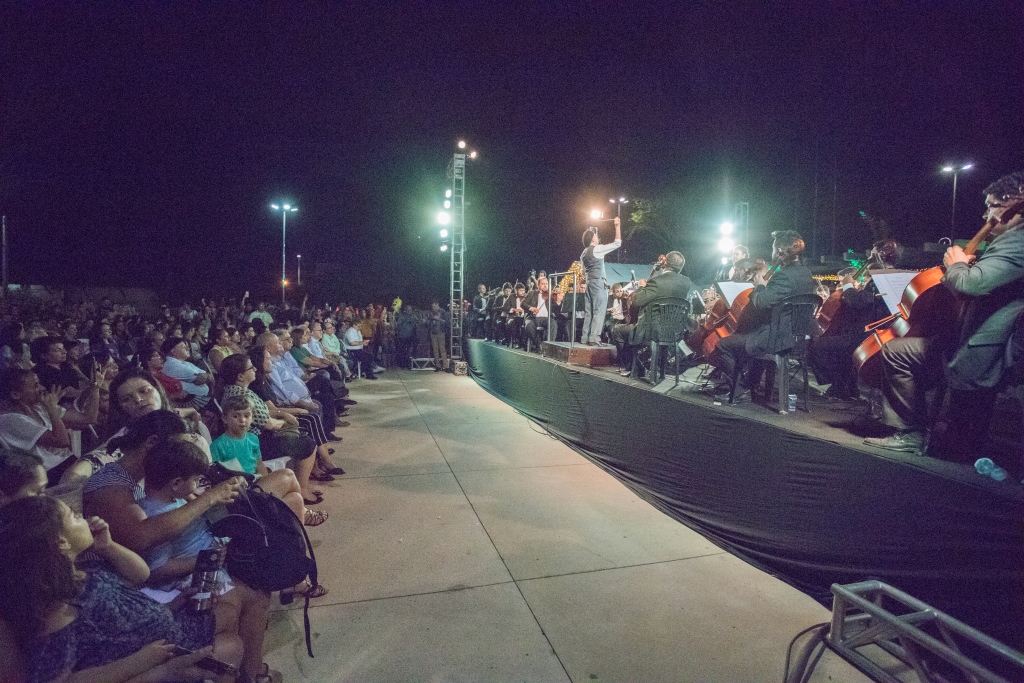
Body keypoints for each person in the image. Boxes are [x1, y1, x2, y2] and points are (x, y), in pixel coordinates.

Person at [865, 171, 1024, 457]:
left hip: (984, 348)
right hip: (962, 336)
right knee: (897, 351)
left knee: (956, 446)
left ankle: (925, 435)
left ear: (1014, 206)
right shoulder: (1006, 241)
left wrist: (957, 264)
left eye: (992, 206)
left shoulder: (1019, 241)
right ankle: (911, 431)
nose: (986, 213)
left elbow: (971, 283)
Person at [0, 495, 228, 683]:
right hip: (162, 655)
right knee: (232, 642)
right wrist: (140, 663)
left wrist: (108, 546)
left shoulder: (85, 568)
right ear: (61, 543)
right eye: (74, 516)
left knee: (232, 607)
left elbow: (140, 575)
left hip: (165, 627)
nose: (84, 517)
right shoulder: (59, 608)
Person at [711, 231, 817, 400]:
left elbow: (761, 302)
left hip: (777, 339)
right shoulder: (805, 273)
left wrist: (759, 285)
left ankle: (739, 391)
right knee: (752, 334)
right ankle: (750, 383)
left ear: (781, 251)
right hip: (797, 337)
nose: (772, 253)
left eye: (774, 249)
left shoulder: (783, 276)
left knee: (724, 345)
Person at [217, 353, 323, 506]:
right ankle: (302, 490)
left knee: (302, 431)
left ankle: (298, 485)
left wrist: (282, 415)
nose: (254, 369)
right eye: (251, 368)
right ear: (240, 376)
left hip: (254, 437)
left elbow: (264, 414)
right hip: (256, 440)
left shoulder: (235, 390)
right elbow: (268, 424)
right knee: (308, 444)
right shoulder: (242, 395)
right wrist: (285, 421)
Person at [211, 394, 328, 529]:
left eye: (247, 415)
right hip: (241, 492)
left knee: (295, 498)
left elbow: (259, 464)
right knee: (288, 474)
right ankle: (305, 513)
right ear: (224, 418)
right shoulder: (218, 445)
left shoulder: (253, 438)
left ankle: (296, 543)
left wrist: (270, 483)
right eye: (236, 416)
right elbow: (215, 477)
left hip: (256, 483)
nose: (242, 420)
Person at [611, 251, 694, 376]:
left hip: (653, 330)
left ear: (665, 263)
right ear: (680, 267)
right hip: (674, 331)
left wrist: (642, 286)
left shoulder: (656, 282)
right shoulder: (686, 282)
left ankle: (635, 368)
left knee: (617, 330)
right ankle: (659, 369)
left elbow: (637, 301)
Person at [580, 216, 622, 345]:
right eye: (596, 236)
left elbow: (583, 272)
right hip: (598, 283)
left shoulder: (583, 253)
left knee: (589, 312)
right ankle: (594, 338)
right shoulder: (597, 249)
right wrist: (617, 226)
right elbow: (617, 243)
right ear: (593, 238)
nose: (598, 237)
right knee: (599, 311)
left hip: (588, 283)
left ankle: (584, 337)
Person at [161, 337, 213, 409]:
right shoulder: (172, 364)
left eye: (187, 347)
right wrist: (206, 376)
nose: (188, 349)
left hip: (201, 400)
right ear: (173, 351)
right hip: (189, 403)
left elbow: (206, 374)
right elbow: (198, 378)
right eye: (183, 347)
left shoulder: (186, 363)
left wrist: (206, 376)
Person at [522, 275, 551, 351]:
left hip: (546, 318)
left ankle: (550, 345)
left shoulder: (549, 295)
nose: (545, 286)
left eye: (546, 284)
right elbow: (522, 304)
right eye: (543, 284)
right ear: (538, 285)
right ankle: (539, 345)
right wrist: (531, 308)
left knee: (553, 324)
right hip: (534, 318)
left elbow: (555, 307)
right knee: (529, 325)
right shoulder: (532, 293)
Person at [427, 302, 449, 371]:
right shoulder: (431, 312)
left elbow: (446, 322)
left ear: (438, 305)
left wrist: (438, 319)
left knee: (442, 349)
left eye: (434, 306)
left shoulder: (442, 311)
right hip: (433, 333)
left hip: (441, 332)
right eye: (432, 306)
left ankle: (446, 366)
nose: (433, 308)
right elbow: (429, 321)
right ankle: (438, 366)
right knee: (435, 349)